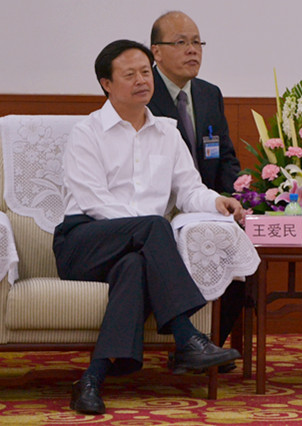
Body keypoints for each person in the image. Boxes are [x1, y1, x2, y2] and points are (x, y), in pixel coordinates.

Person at [53, 39, 244, 415]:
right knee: (154, 228)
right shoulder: (87, 132)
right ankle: (186, 337)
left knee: (135, 267)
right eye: (130, 74)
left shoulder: (168, 133)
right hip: (83, 242)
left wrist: (215, 202)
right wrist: (143, 228)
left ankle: (90, 381)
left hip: (136, 248)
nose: (142, 80)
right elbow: (94, 201)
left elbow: (189, 189)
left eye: (145, 72)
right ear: (107, 84)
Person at [148, 12, 244, 368]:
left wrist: (234, 198)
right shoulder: (143, 94)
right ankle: (189, 343)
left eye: (197, 42)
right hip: (163, 208)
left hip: (208, 205)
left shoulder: (208, 94)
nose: (193, 50)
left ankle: (211, 343)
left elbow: (225, 156)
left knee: (242, 260)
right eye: (181, 43)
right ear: (157, 52)